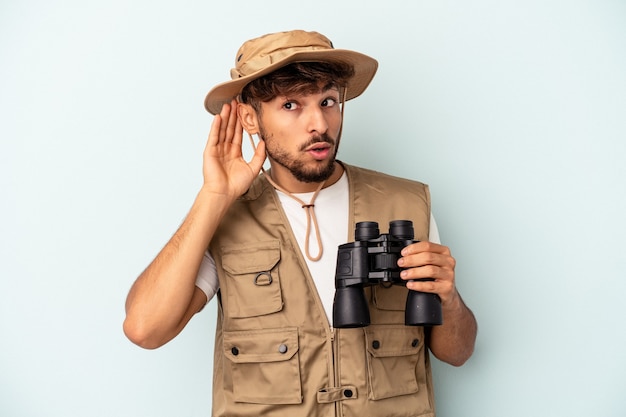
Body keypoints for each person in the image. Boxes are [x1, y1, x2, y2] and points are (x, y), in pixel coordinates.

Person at [124, 29, 477, 417]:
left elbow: (457, 353)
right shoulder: (225, 218)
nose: (319, 124)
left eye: (328, 101)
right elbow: (145, 328)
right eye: (291, 105)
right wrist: (215, 198)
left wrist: (450, 299)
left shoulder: (405, 204)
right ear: (249, 117)